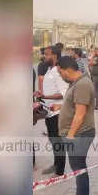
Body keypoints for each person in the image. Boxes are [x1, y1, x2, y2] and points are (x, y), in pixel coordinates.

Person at [57, 56, 96, 195]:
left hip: (79, 134)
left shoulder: (83, 84)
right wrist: (60, 106)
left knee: (79, 167)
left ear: (67, 70)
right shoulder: (76, 83)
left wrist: (71, 135)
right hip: (75, 134)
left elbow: (80, 114)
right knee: (76, 167)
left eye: (60, 72)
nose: (60, 75)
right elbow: (74, 105)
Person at [34, 46, 69, 176]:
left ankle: (60, 171)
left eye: (47, 54)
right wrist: (41, 93)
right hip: (49, 112)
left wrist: (45, 96)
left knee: (58, 141)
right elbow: (50, 89)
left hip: (58, 113)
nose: (44, 57)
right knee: (53, 140)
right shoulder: (50, 69)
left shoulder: (59, 71)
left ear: (55, 55)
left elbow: (63, 93)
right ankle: (55, 165)